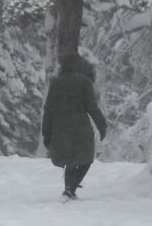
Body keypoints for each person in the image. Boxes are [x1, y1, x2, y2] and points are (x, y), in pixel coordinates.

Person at [42, 51, 107, 202]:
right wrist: (101, 125)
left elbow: (49, 109)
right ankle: (70, 190)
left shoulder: (56, 83)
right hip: (80, 128)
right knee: (86, 157)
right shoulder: (84, 81)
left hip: (60, 128)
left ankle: (69, 191)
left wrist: (46, 133)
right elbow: (92, 107)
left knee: (71, 160)